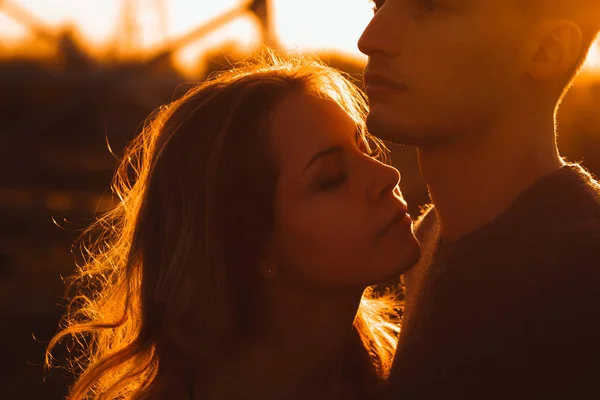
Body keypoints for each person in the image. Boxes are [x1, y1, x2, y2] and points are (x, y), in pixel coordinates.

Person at [45, 51, 421, 400]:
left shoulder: (415, 364)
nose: (386, 175)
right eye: (332, 178)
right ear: (248, 241)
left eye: (365, 148)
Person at [358, 0, 600, 398]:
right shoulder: (426, 237)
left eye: (431, 7)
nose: (370, 40)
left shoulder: (583, 280)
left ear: (547, 49)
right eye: (379, 4)